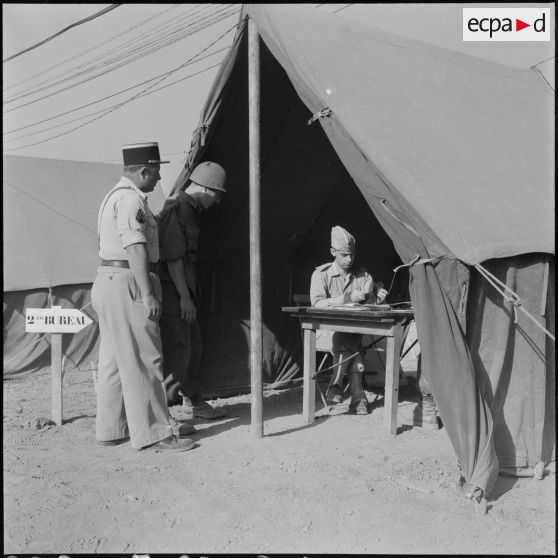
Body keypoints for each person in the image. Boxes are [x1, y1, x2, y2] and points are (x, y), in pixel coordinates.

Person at [92, 142, 195, 452]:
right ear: (143, 171)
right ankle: (156, 434)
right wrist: (148, 294)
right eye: (156, 172)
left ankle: (112, 429)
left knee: (112, 360)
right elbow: (136, 248)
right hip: (129, 281)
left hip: (109, 280)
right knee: (145, 358)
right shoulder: (129, 201)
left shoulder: (114, 196)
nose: (159, 178)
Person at [157, 161, 228, 420]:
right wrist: (185, 298)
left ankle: (193, 402)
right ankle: (160, 416)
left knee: (193, 348)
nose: (217, 201)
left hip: (184, 292)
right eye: (217, 194)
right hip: (173, 293)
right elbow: (174, 258)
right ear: (207, 189)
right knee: (177, 353)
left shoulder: (190, 209)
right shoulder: (178, 209)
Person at [309, 226, 388, 414]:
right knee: (347, 337)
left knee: (349, 336)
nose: (350, 259)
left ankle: (335, 385)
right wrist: (345, 298)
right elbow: (317, 304)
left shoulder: (363, 275)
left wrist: (378, 297)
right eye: (344, 255)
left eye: (352, 254)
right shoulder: (321, 275)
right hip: (325, 332)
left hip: (354, 333)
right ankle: (357, 394)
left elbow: (370, 304)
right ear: (333, 252)